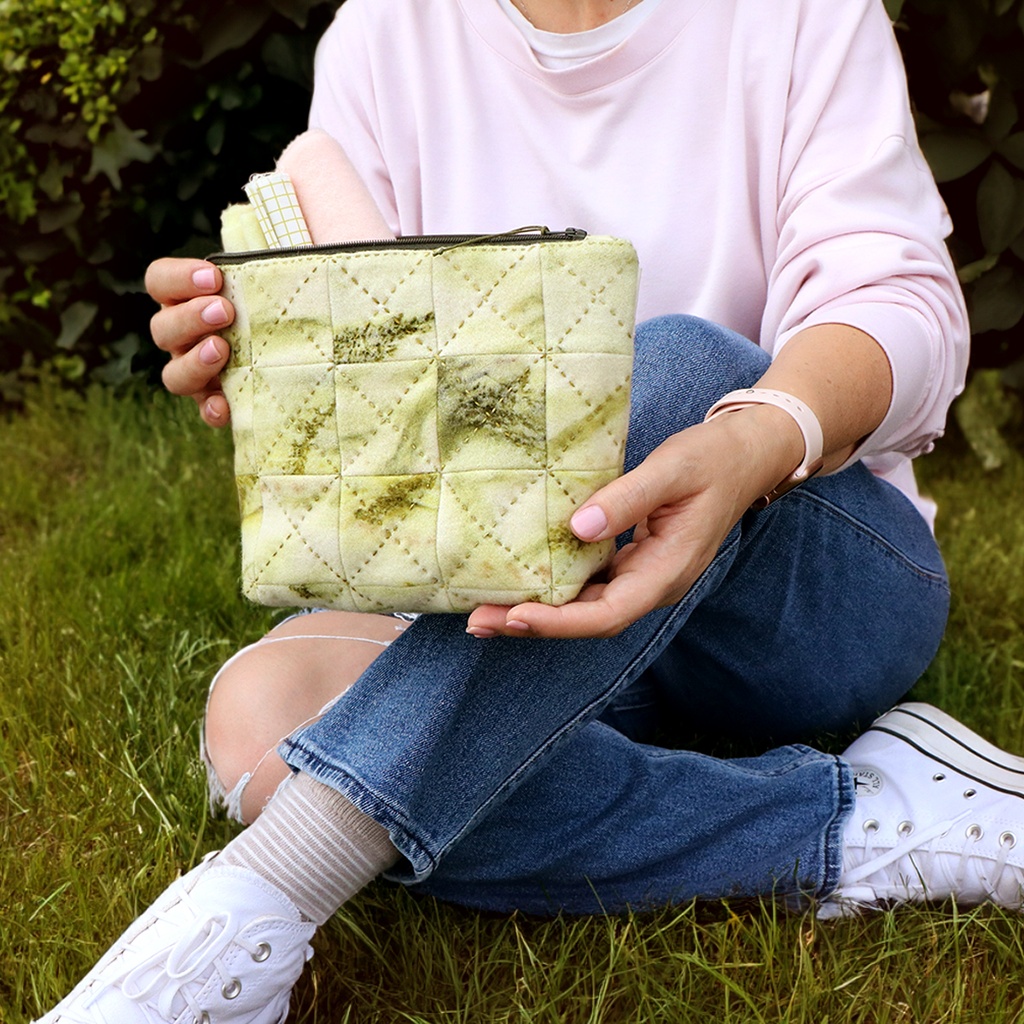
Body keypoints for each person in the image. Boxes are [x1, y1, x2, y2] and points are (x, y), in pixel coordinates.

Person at [34, 0, 1024, 1021]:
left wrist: (746, 442)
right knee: (261, 719)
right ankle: (864, 818)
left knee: (667, 361)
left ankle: (265, 895)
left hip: (797, 585)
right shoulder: (386, 34)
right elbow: (389, 408)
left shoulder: (799, 14)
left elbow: (899, 304)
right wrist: (282, 353)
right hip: (528, 617)